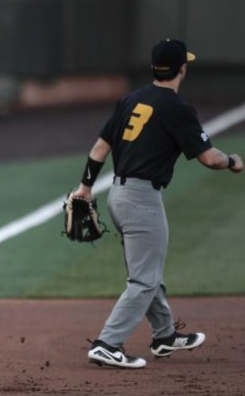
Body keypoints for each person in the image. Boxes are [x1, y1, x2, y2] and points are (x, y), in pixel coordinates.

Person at [70, 39, 243, 369]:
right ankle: (108, 343)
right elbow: (209, 158)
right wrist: (232, 160)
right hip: (141, 201)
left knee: (146, 272)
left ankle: (164, 335)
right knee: (144, 280)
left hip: (118, 198)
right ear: (182, 68)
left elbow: (99, 147)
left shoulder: (130, 100)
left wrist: (85, 187)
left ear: (153, 68)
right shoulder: (177, 108)